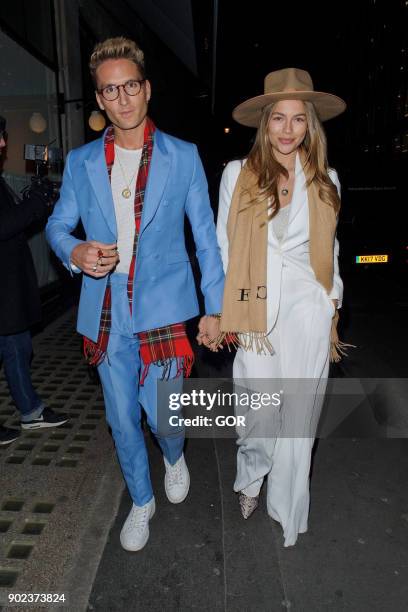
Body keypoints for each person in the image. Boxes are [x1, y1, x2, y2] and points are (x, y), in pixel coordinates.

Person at [46, 37, 224, 552]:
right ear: (99, 100)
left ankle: (173, 455)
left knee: (163, 414)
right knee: (120, 415)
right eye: (109, 91)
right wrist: (75, 252)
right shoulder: (81, 163)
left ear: (146, 90)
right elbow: (59, 225)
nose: (121, 99)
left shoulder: (183, 157)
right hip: (104, 306)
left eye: (129, 87)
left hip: (165, 305)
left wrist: (214, 309)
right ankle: (141, 499)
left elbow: (206, 238)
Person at [216, 68, 348, 547]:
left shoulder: (326, 179)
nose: (288, 129)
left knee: (299, 419)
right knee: (259, 413)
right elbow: (224, 248)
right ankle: (251, 476)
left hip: (308, 313)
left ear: (310, 125)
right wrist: (220, 310)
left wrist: (331, 300)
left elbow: (330, 250)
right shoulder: (238, 174)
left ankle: (287, 507)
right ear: (265, 123)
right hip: (257, 313)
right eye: (278, 118)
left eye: (298, 119)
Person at [0, 115, 68, 446]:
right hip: (3, 291)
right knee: (16, 348)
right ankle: (31, 411)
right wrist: (34, 204)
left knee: (18, 348)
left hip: (8, 288)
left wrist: (33, 202)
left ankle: (31, 411)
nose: (3, 144)